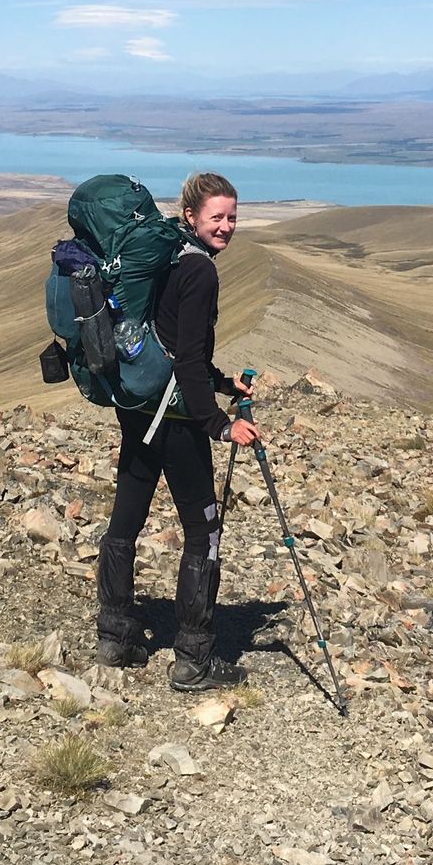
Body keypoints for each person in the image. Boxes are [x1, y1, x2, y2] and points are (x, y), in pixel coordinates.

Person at [94, 171, 262, 691]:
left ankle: (115, 636)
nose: (228, 226)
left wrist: (220, 381)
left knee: (126, 519)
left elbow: (170, 344)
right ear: (191, 216)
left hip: (140, 407)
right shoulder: (201, 273)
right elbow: (187, 354)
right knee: (204, 531)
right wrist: (218, 424)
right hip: (176, 421)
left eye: (233, 216)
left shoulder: (166, 256)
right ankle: (193, 661)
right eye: (218, 216)